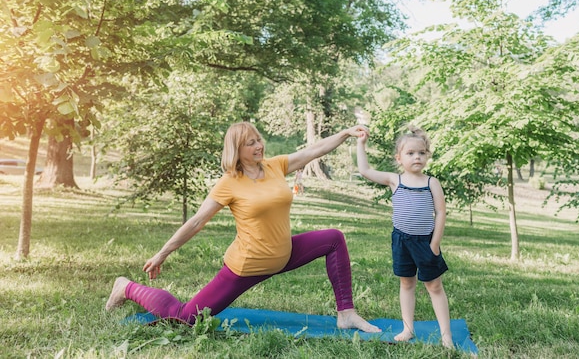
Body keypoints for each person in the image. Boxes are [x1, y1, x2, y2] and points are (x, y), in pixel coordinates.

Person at [106, 122, 381, 333]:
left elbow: (313, 151)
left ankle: (346, 313)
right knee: (185, 319)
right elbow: (197, 221)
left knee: (333, 238)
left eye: (258, 140)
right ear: (236, 150)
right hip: (247, 266)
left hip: (283, 254)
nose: (259, 146)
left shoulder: (275, 166)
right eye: (251, 143)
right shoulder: (229, 182)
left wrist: (345, 134)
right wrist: (162, 253)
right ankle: (127, 287)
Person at [356, 126, 453, 347]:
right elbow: (365, 170)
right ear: (399, 158)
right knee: (406, 283)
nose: (416, 157)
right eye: (410, 153)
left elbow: (440, 212)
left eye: (421, 152)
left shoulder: (431, 182)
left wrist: (435, 243)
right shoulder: (394, 180)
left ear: (427, 155)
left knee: (434, 286)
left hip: (425, 243)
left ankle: (446, 335)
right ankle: (408, 329)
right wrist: (361, 144)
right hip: (401, 241)